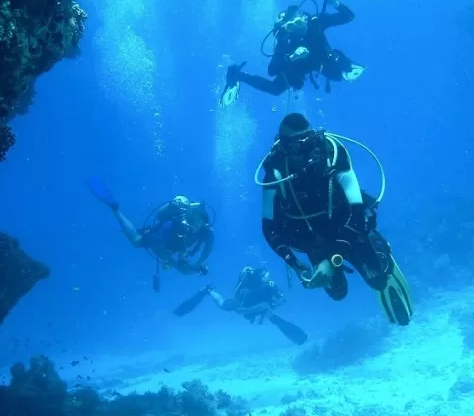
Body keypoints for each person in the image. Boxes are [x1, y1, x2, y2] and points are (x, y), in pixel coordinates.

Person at [255, 113, 413, 325]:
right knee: (338, 293)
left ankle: (378, 247)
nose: (303, 151)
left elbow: (356, 211)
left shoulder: (333, 154)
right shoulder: (274, 170)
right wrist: (294, 263)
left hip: (346, 225)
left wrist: (334, 258)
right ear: (283, 146)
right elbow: (269, 228)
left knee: (379, 280)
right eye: (295, 145)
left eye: (307, 142)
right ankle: (344, 262)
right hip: (313, 239)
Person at [219, 0, 365, 107]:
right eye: (290, 25)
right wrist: (291, 57)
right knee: (276, 89)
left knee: (337, 74)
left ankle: (346, 66)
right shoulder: (284, 42)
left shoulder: (315, 23)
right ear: (284, 28)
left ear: (304, 17)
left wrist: (336, 3)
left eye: (299, 21)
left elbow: (348, 16)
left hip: (319, 60)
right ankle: (237, 75)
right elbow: (272, 71)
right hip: (298, 66)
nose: (296, 27)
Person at [87, 177, 214, 289]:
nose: (196, 226)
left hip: (167, 236)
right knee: (136, 241)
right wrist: (181, 265)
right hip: (163, 235)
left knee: (182, 268)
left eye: (200, 223)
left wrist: (195, 265)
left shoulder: (201, 230)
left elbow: (198, 248)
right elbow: (160, 248)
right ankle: (115, 209)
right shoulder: (189, 228)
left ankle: (121, 220)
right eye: (197, 222)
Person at [173, 266, 308, 345]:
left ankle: (297, 337)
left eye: (266, 278)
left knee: (272, 317)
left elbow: (280, 301)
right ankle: (208, 291)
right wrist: (262, 308)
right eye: (264, 278)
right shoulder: (246, 291)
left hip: (259, 307)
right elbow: (242, 310)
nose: (266, 279)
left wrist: (272, 304)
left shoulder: (269, 286)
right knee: (223, 305)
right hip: (245, 307)